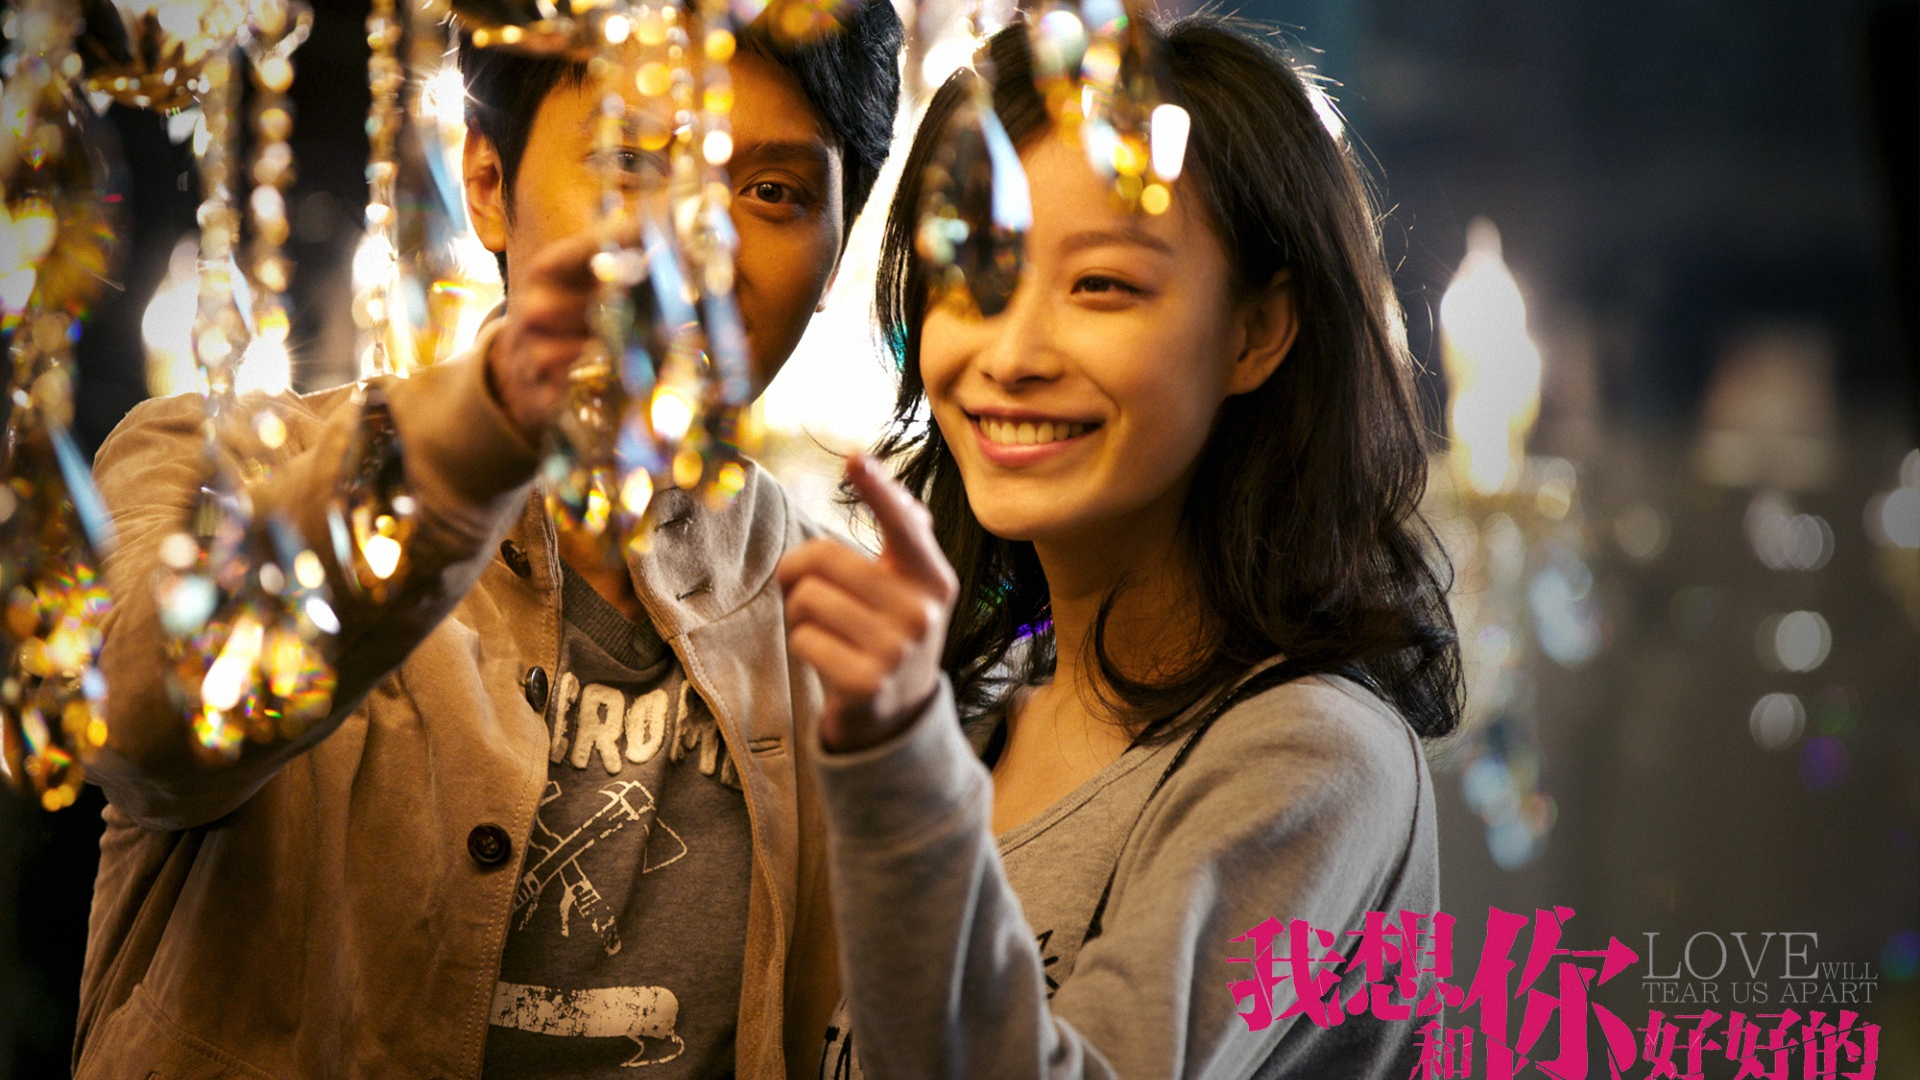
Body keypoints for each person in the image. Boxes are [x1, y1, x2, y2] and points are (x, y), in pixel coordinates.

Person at [71, 10, 901, 1079]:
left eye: (773, 193)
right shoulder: (215, 471)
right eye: (634, 161)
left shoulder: (845, 622)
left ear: (834, 259)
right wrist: (480, 436)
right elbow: (140, 730)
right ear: (487, 185)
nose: (697, 250)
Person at [777, 14, 1462, 1079]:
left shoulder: (1311, 755)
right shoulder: (972, 719)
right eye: (971, 277)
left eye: (1100, 285)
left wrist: (896, 771)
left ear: (1256, 332)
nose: (1011, 354)